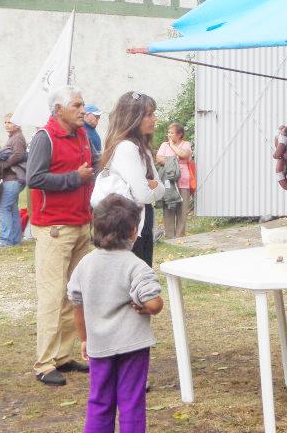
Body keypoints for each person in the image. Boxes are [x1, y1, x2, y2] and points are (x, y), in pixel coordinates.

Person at [68, 195, 162, 433]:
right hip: (133, 345)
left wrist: (84, 339)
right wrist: (144, 304)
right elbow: (155, 303)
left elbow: (76, 303)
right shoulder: (136, 265)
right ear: (133, 231)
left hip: (99, 345)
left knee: (99, 400)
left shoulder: (85, 265)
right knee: (131, 401)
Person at [26, 85, 96, 386]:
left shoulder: (81, 135)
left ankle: (64, 355)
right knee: (53, 295)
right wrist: (73, 179)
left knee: (74, 293)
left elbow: (93, 165)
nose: (83, 110)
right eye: (77, 105)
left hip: (81, 224)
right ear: (58, 110)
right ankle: (44, 363)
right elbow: (34, 178)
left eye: (82, 105)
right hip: (55, 228)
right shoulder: (45, 138)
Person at [94, 92, 165, 267]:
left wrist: (154, 186)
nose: (154, 119)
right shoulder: (127, 148)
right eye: (149, 114)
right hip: (129, 225)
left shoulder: (143, 148)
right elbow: (144, 195)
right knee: (133, 280)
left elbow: (161, 188)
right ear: (133, 118)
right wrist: (153, 186)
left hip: (141, 219)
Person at [0, 114, 28, 249]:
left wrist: (3, 165)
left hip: (13, 178)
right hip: (13, 178)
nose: (7, 124)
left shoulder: (17, 138)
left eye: (10, 122)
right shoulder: (13, 137)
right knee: (12, 209)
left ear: (17, 124)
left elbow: (19, 155)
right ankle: (15, 239)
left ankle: (5, 240)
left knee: (3, 208)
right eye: (5, 122)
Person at [155, 123, 193, 238]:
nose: (169, 135)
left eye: (172, 133)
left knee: (182, 209)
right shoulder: (163, 145)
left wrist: (172, 146)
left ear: (180, 134)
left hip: (183, 181)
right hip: (168, 181)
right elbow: (159, 159)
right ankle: (170, 236)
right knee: (169, 207)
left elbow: (184, 154)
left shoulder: (186, 144)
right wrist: (174, 159)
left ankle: (180, 235)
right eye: (169, 132)